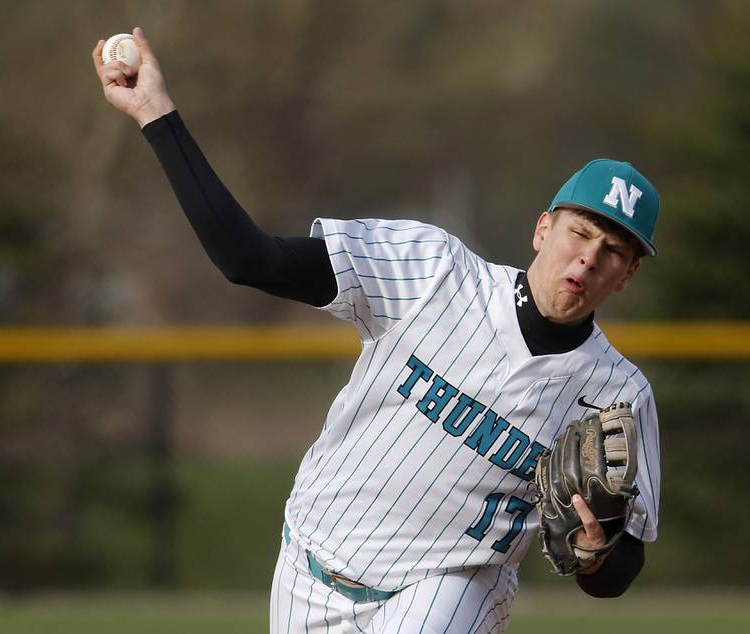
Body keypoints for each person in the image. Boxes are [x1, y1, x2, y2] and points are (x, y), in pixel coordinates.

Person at [93, 27, 660, 633]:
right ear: (543, 228)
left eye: (613, 250)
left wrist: (597, 553)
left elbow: (623, 563)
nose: (588, 259)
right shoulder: (432, 270)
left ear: (624, 276)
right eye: (579, 232)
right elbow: (247, 259)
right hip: (309, 564)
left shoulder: (618, 394)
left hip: (450, 588)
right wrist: (156, 111)